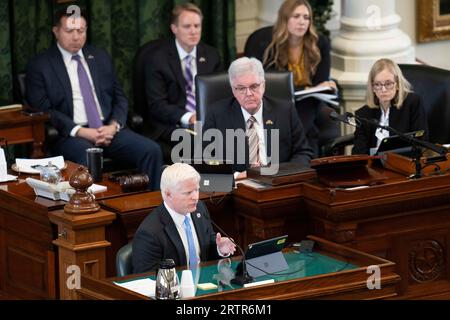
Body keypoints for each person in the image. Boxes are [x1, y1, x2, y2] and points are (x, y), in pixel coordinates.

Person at [25, 9, 163, 191]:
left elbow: (120, 97)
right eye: (69, 31)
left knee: (151, 150)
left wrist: (114, 126)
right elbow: (44, 109)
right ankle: (95, 213)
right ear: (56, 31)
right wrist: (80, 131)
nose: (76, 37)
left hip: (107, 129)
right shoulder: (41, 65)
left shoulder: (100, 57)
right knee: (87, 158)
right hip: (70, 134)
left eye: (81, 31)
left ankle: (151, 205)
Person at [202, 57, 313, 174]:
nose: (248, 93)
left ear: (263, 85)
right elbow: (206, 159)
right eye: (241, 88)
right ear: (233, 91)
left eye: (254, 86)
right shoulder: (217, 114)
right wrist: (236, 176)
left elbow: (303, 152)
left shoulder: (285, 111)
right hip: (238, 186)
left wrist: (282, 174)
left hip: (278, 182)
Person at [260, 0, 337, 157]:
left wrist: (324, 87)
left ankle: (291, 152)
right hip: (280, 102)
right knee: (306, 121)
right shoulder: (271, 45)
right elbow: (273, 87)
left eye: (306, 17)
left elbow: (320, 82)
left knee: (308, 105)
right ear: (285, 19)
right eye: (296, 16)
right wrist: (307, 89)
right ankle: (308, 157)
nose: (302, 22)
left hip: (310, 102)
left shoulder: (320, 43)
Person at [145, 3, 222, 154]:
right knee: (203, 143)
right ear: (174, 28)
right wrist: (190, 117)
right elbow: (157, 105)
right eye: (187, 26)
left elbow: (219, 95)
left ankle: (241, 176)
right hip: (173, 123)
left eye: (197, 26)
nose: (193, 31)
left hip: (207, 120)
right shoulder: (157, 59)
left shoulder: (211, 55)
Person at [132, 163, 236, 273]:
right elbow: (147, 279)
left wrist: (219, 249)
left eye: (197, 190)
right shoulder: (149, 233)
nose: (195, 197)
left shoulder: (199, 209)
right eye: (188, 193)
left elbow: (206, 250)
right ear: (168, 194)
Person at [352, 58, 428, 155]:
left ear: (397, 84)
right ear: (372, 87)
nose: (383, 89)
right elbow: (358, 153)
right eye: (377, 84)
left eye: (388, 84)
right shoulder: (363, 114)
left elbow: (421, 142)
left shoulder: (412, 103)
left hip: (404, 162)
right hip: (374, 166)